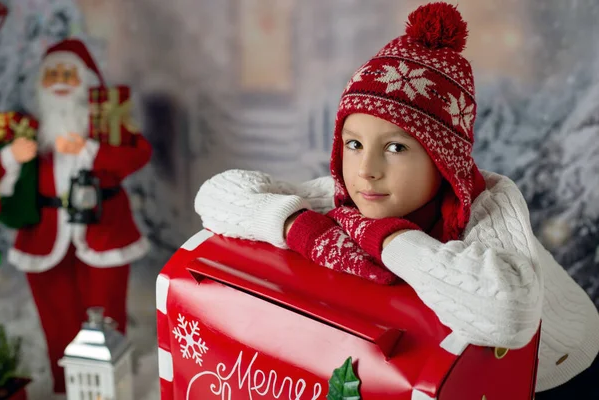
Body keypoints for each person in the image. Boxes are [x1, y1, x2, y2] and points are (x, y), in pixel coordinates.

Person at [194, 2, 599, 398]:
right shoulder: (349, 196)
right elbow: (215, 196)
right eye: (353, 144)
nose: (366, 169)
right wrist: (297, 226)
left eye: (396, 149)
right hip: (460, 369)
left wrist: (388, 239)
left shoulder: (489, 206)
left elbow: (509, 316)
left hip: (557, 370)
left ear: (444, 162)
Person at [0, 38, 152, 394]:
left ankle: (108, 384)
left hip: (104, 232)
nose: (59, 80)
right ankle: (63, 385)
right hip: (44, 235)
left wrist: (89, 150)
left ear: (86, 82)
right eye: (52, 74)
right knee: (57, 314)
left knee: (106, 315)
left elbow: (138, 156)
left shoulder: (107, 129)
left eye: (68, 73)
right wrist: (10, 158)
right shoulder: (28, 132)